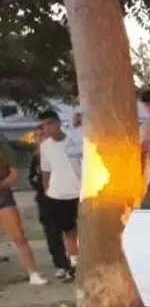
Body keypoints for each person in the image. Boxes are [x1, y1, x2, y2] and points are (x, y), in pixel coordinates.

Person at [36, 111, 82, 282]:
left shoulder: (73, 140)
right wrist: (47, 190)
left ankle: (86, 261)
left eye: (49, 124)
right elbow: (45, 171)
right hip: (57, 194)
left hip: (78, 192)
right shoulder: (45, 146)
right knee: (68, 231)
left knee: (82, 230)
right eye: (43, 125)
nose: (46, 128)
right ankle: (74, 264)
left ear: (57, 123)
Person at [0, 136, 47, 285]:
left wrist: (2, 186)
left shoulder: (2, 144)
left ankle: (33, 273)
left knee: (18, 236)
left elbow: (14, 172)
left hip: (3, 195)